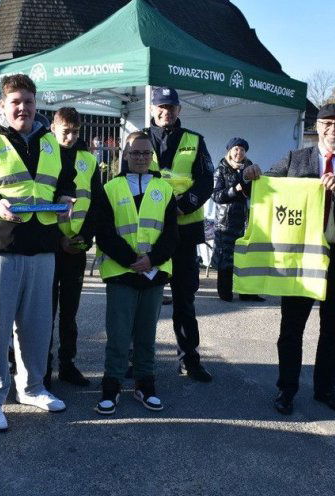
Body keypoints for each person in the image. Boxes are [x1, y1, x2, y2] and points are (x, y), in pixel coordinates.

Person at [0, 74, 76, 431]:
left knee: (36, 327)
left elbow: (64, 181)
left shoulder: (50, 143)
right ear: (4, 106)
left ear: (37, 105)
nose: (23, 108)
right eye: (16, 102)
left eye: (28, 102)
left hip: (42, 248)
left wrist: (66, 198)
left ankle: (32, 388)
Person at [247, 103, 335, 415]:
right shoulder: (295, 158)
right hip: (301, 256)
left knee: (334, 328)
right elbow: (266, 187)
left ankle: (326, 389)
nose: (333, 129)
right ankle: (286, 389)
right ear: (317, 127)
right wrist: (250, 175)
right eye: (327, 123)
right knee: (292, 327)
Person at [93, 131, 178, 415]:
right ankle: (111, 386)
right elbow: (104, 233)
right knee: (118, 335)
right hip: (122, 272)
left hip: (153, 272)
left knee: (146, 335)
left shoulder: (165, 189)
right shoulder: (110, 188)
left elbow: (172, 234)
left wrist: (152, 259)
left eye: (146, 153)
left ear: (152, 157)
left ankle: (145, 385)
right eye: (135, 152)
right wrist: (133, 260)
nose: (141, 158)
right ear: (126, 155)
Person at [144, 86, 215, 383]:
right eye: (161, 107)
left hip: (185, 232)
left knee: (184, 300)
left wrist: (183, 206)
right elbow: (126, 179)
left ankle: (190, 360)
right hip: (149, 233)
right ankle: (138, 360)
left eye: (171, 107)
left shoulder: (195, 140)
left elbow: (207, 180)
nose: (166, 112)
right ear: (152, 109)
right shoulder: (138, 140)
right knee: (143, 300)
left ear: (179, 110)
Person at [47, 107, 100, 388]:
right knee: (45, 313)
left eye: (75, 132)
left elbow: (96, 204)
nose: (70, 137)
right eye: (65, 131)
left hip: (76, 248)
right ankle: (43, 368)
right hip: (49, 246)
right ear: (53, 128)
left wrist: (84, 240)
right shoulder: (44, 155)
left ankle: (67, 364)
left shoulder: (89, 161)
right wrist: (58, 240)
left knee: (69, 313)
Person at [211, 137, 264, 303]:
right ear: (229, 151)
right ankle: (225, 293)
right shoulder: (221, 170)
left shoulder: (250, 169)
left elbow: (258, 190)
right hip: (226, 222)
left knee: (247, 257)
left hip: (247, 221)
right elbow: (216, 196)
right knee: (226, 259)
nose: (239, 152)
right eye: (236, 149)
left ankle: (247, 293)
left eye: (242, 149)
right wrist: (234, 189)